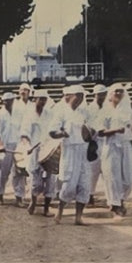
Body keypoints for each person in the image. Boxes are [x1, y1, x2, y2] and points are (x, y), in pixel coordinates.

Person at [49, 84, 92, 225]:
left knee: (85, 184)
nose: (80, 98)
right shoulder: (61, 112)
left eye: (82, 96)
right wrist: (62, 133)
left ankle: (78, 217)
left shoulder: (84, 112)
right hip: (69, 151)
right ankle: (60, 211)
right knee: (69, 184)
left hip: (83, 150)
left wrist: (90, 133)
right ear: (70, 96)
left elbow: (92, 130)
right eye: (78, 95)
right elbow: (52, 132)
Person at [98, 83, 132, 217]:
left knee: (129, 177)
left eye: (121, 91)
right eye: (116, 91)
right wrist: (115, 130)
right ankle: (115, 204)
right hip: (111, 146)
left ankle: (120, 199)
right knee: (112, 176)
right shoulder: (105, 111)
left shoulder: (128, 111)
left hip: (126, 145)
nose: (119, 94)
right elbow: (100, 132)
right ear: (111, 93)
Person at [20, 89, 55, 216]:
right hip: (34, 150)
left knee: (51, 178)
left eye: (45, 99)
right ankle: (33, 203)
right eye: (41, 99)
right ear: (35, 99)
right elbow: (24, 134)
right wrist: (27, 145)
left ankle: (46, 208)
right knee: (36, 179)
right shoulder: (29, 115)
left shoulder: (50, 114)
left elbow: (54, 130)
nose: (43, 102)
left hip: (48, 149)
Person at [0, 90, 26, 206]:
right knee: (2, 172)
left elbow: (24, 129)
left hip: (17, 146)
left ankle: (19, 197)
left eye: (10, 101)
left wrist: (24, 144)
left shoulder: (20, 113)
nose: (7, 103)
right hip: (4, 146)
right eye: (5, 101)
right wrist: (0, 145)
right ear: (2, 101)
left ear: (13, 101)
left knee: (20, 171)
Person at [87, 83, 109, 204]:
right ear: (94, 95)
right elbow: (88, 125)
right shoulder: (89, 109)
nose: (101, 97)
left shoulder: (108, 107)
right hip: (94, 142)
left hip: (107, 141)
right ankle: (90, 195)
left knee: (107, 170)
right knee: (93, 170)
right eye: (99, 94)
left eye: (103, 94)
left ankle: (110, 197)